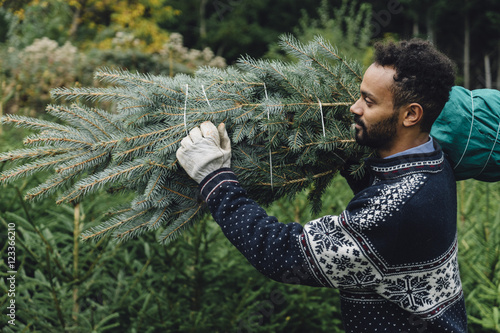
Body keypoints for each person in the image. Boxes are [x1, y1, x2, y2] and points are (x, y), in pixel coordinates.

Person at [176, 39, 468, 332]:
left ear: (410, 115)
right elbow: (378, 181)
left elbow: (283, 254)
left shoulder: (397, 210)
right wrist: (324, 143)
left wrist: (214, 176)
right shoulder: (433, 160)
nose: (354, 107)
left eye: (369, 102)